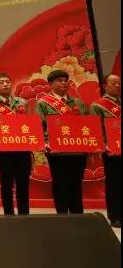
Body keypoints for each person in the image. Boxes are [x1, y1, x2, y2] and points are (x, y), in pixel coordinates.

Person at [35, 69, 89, 215]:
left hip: (77, 150)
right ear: (51, 84)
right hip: (56, 151)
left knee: (76, 182)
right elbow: (40, 127)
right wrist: (46, 143)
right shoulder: (43, 103)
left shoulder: (77, 102)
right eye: (59, 81)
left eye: (65, 81)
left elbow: (87, 125)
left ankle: (78, 215)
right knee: (60, 183)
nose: (64, 83)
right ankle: (62, 215)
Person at [0, 73, 32, 215]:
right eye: (1, 82)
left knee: (23, 182)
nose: (5, 84)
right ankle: (8, 214)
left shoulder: (22, 103)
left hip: (22, 148)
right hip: (3, 150)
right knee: (6, 183)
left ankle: (24, 214)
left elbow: (29, 125)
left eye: (7, 81)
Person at [92, 74, 121, 228]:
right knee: (114, 183)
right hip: (112, 151)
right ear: (105, 85)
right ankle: (115, 216)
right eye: (113, 83)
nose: (117, 86)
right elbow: (96, 129)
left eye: (119, 83)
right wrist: (104, 145)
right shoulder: (98, 105)